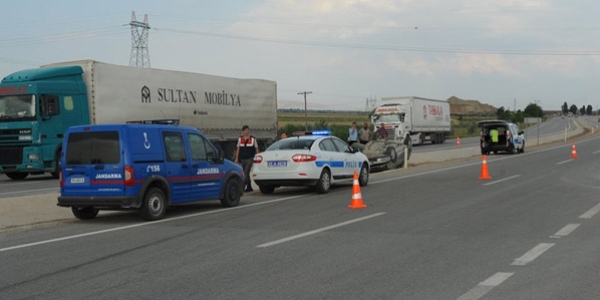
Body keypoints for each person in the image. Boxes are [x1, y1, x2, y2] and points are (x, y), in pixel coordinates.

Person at [235, 125, 260, 192]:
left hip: (250, 158)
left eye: (248, 130)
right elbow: (238, 149)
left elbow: (256, 148)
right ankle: (249, 186)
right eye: (245, 130)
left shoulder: (253, 139)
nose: (247, 131)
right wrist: (236, 158)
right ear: (243, 131)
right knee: (245, 173)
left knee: (246, 172)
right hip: (242, 158)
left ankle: (243, 186)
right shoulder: (240, 139)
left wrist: (258, 157)